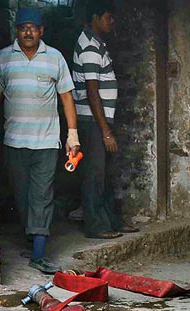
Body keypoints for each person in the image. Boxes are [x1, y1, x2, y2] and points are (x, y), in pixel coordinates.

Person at [0, 7, 80, 274]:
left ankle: (39, 254)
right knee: (22, 196)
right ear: (17, 31)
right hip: (14, 141)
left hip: (46, 142)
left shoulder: (55, 58)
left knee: (42, 195)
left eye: (33, 28)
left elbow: (66, 97)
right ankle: (33, 242)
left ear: (41, 31)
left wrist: (72, 135)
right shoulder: (3, 59)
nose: (28, 32)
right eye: (23, 28)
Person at [71, 0, 138, 240]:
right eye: (109, 17)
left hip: (98, 121)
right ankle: (96, 225)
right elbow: (92, 92)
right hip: (92, 122)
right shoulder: (89, 46)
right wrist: (105, 131)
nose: (112, 22)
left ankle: (112, 221)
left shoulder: (97, 43)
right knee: (95, 174)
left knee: (104, 173)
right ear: (96, 18)